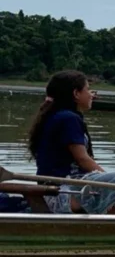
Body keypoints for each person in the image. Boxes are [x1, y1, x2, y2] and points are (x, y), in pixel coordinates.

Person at [26, 70, 105, 213]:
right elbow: (83, 159)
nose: (91, 94)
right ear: (76, 94)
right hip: (62, 194)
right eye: (87, 89)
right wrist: (108, 181)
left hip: (54, 191)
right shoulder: (68, 118)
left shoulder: (55, 115)